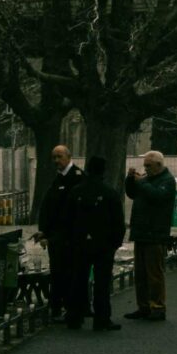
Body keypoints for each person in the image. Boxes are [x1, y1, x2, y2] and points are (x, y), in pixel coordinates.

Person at [124, 149, 177, 321]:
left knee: (154, 273)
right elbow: (132, 193)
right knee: (140, 273)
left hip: (155, 233)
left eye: (149, 166)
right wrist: (130, 180)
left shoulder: (167, 180)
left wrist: (141, 183)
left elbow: (157, 196)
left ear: (159, 165)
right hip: (141, 231)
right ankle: (144, 306)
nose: (146, 169)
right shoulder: (147, 180)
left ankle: (158, 306)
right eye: (145, 165)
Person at [36, 141, 85, 322]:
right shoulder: (59, 178)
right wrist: (44, 231)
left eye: (59, 157)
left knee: (68, 272)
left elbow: (68, 212)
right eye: (54, 157)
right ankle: (58, 306)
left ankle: (69, 308)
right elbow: (49, 207)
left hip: (68, 236)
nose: (56, 160)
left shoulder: (76, 177)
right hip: (56, 236)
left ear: (69, 157)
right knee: (57, 271)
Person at [76, 155, 127, 331]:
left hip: (80, 242)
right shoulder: (110, 192)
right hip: (104, 243)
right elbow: (118, 221)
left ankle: (75, 316)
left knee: (79, 279)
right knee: (102, 283)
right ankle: (102, 318)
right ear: (103, 171)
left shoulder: (77, 192)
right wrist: (116, 243)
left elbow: (68, 218)